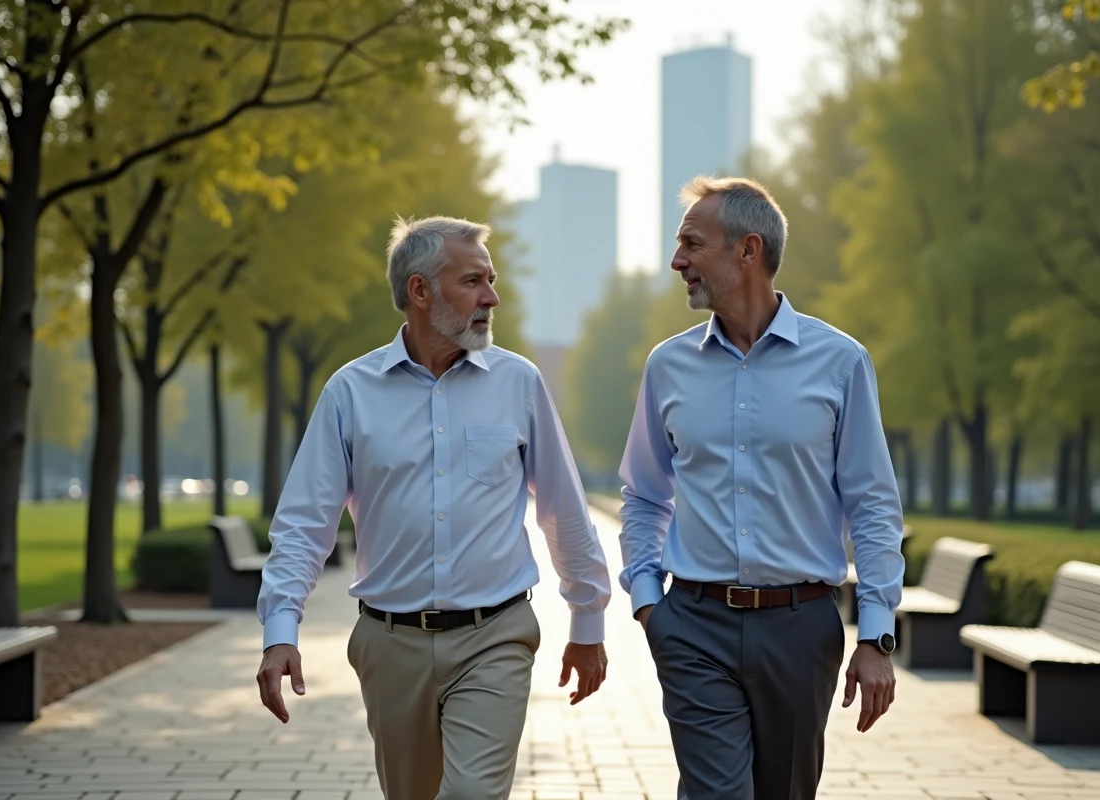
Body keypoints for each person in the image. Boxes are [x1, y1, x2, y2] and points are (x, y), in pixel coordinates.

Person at [255, 215, 612, 800]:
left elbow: (562, 508)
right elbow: (304, 524)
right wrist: (280, 631)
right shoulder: (351, 392)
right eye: (473, 281)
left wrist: (588, 620)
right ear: (420, 291)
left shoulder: (518, 383)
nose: (491, 297)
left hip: (494, 635)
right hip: (388, 644)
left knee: (472, 794)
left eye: (491, 280)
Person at [618, 176, 905, 800]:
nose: (678, 261)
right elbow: (644, 493)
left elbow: (873, 504)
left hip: (800, 630)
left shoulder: (841, 361)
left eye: (692, 243)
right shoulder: (668, 366)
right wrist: (648, 603)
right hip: (692, 627)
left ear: (748, 251)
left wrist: (877, 635)